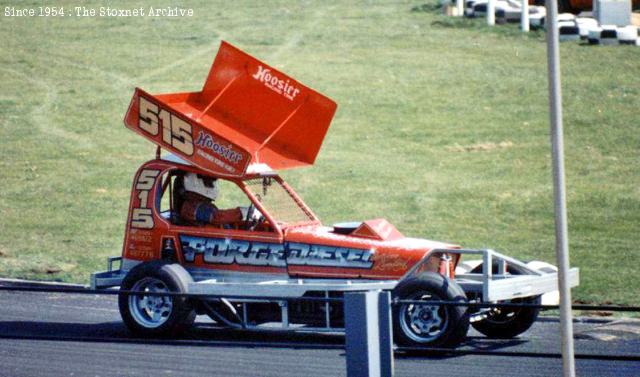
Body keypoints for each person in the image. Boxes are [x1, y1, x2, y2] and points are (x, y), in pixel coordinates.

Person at [177, 172, 257, 226]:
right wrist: (243, 212)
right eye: (209, 182)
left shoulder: (199, 204)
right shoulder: (190, 207)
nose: (211, 185)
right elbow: (217, 217)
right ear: (195, 183)